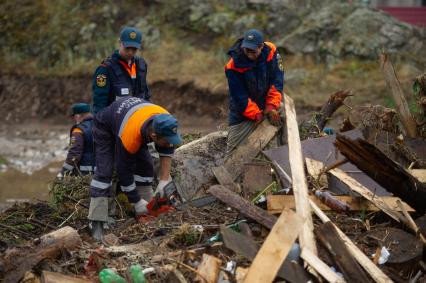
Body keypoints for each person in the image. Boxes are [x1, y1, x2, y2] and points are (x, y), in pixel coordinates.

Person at [88, 96, 182, 240]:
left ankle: (148, 212)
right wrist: (135, 201)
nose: (171, 143)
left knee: (146, 167)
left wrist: (163, 180)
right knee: (105, 171)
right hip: (105, 126)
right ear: (154, 136)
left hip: (135, 120)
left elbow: (167, 151)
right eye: (167, 141)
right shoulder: (130, 137)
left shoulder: (166, 121)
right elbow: (124, 171)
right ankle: (97, 222)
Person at [224, 29, 285, 154]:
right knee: (233, 153)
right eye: (247, 50)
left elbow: (277, 80)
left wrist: (271, 106)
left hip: (265, 102)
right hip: (242, 111)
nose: (249, 54)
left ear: (261, 46)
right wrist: (257, 115)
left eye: (253, 50)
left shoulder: (271, 51)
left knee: (283, 114)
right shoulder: (233, 65)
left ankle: (283, 153)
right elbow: (239, 96)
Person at [92, 27, 151, 114]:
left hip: (138, 118)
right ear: (120, 43)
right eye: (127, 48)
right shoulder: (105, 68)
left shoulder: (141, 65)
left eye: (134, 49)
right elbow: (99, 103)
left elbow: (146, 95)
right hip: (115, 120)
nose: (130, 52)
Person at [58, 103, 94, 177]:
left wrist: (63, 172)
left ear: (77, 116)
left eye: (74, 117)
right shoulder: (101, 125)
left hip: (85, 173)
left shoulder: (78, 130)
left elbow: (74, 153)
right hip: (102, 171)